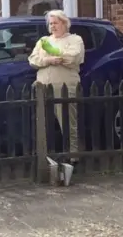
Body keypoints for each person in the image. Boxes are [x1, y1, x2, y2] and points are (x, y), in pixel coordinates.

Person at [29, 10, 85, 160]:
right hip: (43, 87)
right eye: (51, 23)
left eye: (56, 23)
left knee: (67, 121)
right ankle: (45, 155)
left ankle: (73, 156)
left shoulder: (75, 40)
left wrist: (53, 53)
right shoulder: (43, 41)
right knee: (43, 123)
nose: (53, 26)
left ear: (65, 23)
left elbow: (72, 58)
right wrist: (48, 60)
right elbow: (33, 59)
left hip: (65, 87)